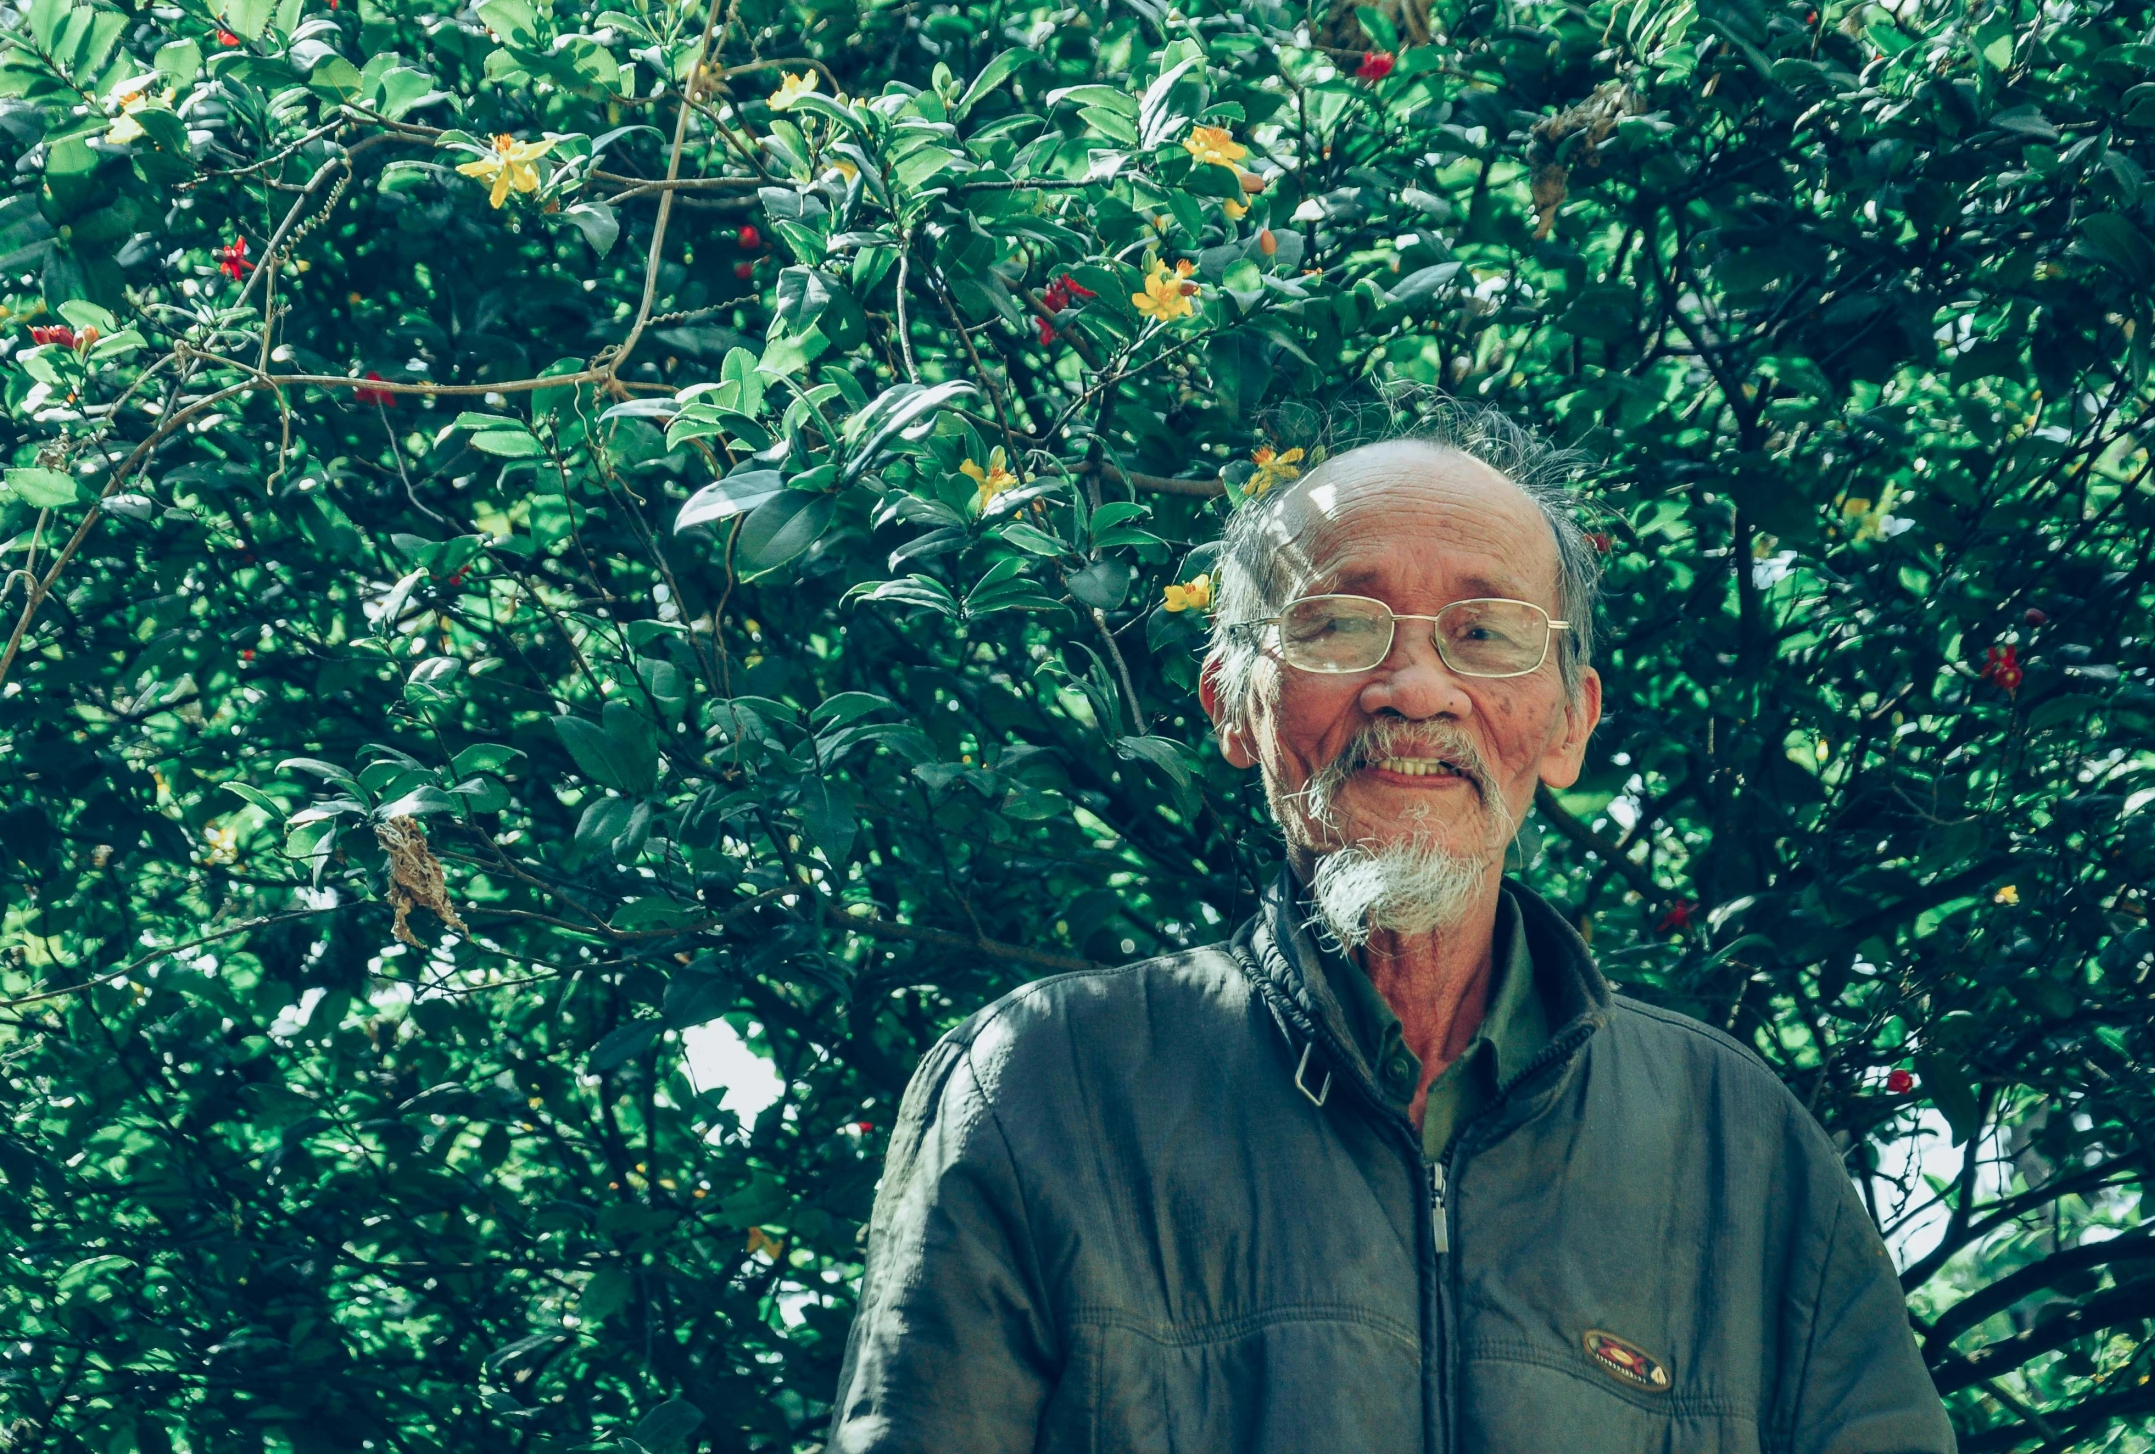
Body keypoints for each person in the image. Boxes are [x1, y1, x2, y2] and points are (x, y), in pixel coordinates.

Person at [830, 413, 1956, 1453]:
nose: (1415, 688)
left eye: (1485, 632)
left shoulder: (1740, 1147)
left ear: (1569, 720)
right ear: (1235, 702)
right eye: (1338, 625)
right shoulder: (1045, 1089)